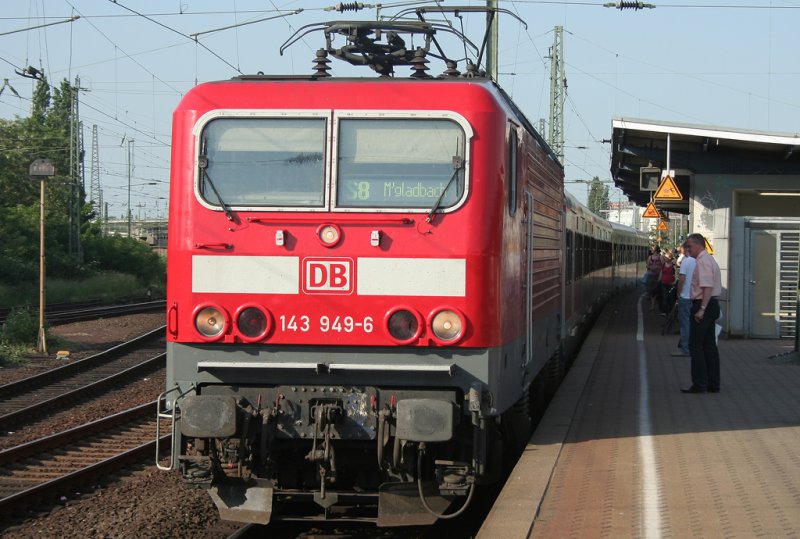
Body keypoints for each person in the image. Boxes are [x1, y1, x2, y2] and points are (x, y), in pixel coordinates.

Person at [681, 233, 722, 394]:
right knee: (709, 345)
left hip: (703, 304)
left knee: (696, 345)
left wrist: (701, 309)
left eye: (690, 246)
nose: (688, 249)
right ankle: (713, 383)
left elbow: (707, 286)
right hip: (711, 304)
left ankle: (699, 383)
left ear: (699, 245)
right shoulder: (709, 260)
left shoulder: (703, 262)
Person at [671, 241, 696, 357]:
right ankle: (693, 346)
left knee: (685, 324)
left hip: (685, 296)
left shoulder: (686, 262)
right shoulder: (699, 261)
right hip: (696, 297)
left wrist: (678, 293)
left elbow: (682, 279)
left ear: (686, 249)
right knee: (692, 323)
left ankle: (685, 349)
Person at [645, 246, 663, 310]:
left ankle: (657, 305)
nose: (652, 250)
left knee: (658, 290)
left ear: (655, 250)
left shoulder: (660, 257)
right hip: (652, 275)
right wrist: (650, 268)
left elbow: (663, 266)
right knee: (652, 290)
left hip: (658, 276)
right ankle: (653, 305)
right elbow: (647, 265)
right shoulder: (650, 257)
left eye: (653, 249)